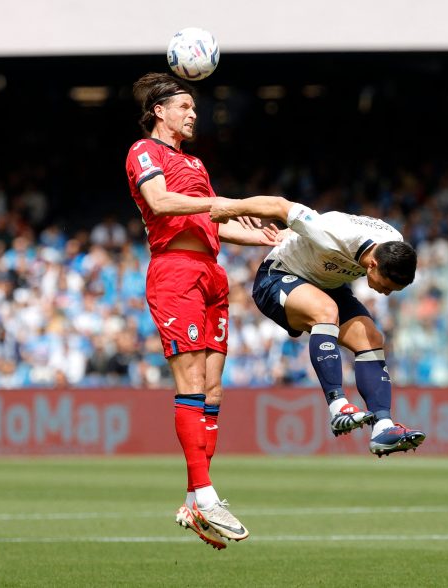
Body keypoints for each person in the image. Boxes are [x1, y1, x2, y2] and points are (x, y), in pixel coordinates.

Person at [125, 72, 278, 549]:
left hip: (210, 272)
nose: (193, 114)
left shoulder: (194, 161)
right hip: (175, 272)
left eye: (194, 108)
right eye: (185, 107)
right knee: (190, 383)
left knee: (213, 389)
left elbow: (208, 220)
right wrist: (224, 204)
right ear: (160, 112)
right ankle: (205, 494)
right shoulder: (143, 152)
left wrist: (255, 235)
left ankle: (196, 498)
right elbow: (159, 200)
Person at [209, 196, 426, 457]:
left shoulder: (394, 245)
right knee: (326, 310)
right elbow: (279, 205)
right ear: (373, 265)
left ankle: (383, 427)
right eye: (387, 286)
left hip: (328, 285)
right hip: (278, 277)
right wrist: (229, 208)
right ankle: (338, 407)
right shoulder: (332, 234)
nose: (387, 294)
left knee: (371, 338)